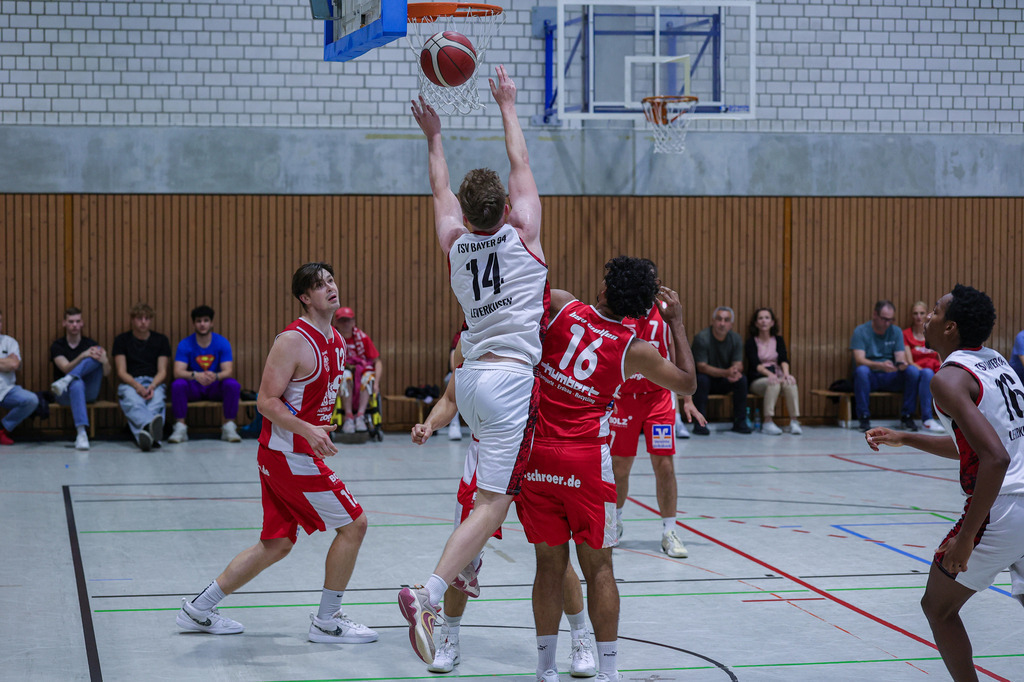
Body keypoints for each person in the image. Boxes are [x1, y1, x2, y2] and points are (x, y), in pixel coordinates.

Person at [400, 65, 548, 666]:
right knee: (493, 505)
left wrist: (434, 136)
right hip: (513, 378)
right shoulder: (526, 233)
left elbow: (439, 191)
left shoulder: (455, 244)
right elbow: (521, 161)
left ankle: (454, 588)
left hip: (470, 375)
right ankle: (430, 592)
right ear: (510, 208)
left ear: (465, 210)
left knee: (482, 502)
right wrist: (506, 103)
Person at [176, 262, 377, 645]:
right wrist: (307, 429)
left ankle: (199, 609)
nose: (330, 288)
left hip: (291, 452)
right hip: (288, 455)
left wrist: (319, 424)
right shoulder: (291, 340)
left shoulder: (335, 338)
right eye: (320, 285)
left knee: (277, 543)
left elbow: (307, 400)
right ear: (304, 297)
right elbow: (266, 402)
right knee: (355, 525)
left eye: (331, 280)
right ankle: (328, 621)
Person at [518, 257, 698, 682]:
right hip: (585, 461)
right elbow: (688, 383)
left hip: (537, 455)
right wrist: (678, 324)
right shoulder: (636, 350)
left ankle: (546, 669)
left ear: (602, 289)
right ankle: (609, 672)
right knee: (599, 568)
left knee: (548, 566)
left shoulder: (562, 305)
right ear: (641, 309)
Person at [864, 285, 1024, 682]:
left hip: (1005, 507)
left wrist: (967, 536)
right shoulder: (995, 361)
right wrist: (906, 437)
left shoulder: (947, 380)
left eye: (934, 312)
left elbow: (996, 458)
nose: (926, 318)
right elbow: (979, 447)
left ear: (950, 327)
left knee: (938, 608)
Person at [411, 342, 596, 678]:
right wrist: (430, 424)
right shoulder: (469, 343)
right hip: (485, 458)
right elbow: (451, 399)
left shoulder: (535, 339)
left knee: (556, 557)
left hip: (534, 455)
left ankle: (580, 639)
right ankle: (449, 638)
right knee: (463, 560)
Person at [610, 260, 706, 558]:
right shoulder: (620, 311)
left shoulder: (664, 313)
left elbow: (678, 353)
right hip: (624, 399)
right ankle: (616, 521)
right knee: (620, 467)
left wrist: (686, 400)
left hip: (658, 400)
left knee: (664, 465)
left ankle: (669, 530)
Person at [168, 305, 242, 444]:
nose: (202, 324)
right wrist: (196, 375)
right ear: (194, 323)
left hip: (214, 385)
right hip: (194, 386)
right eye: (199, 321)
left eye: (206, 320)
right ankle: (180, 427)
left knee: (232, 384)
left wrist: (216, 376)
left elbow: (228, 370)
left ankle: (228, 426)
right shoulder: (185, 344)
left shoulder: (222, 342)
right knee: (177, 385)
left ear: (211, 323)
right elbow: (178, 372)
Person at [850, 300, 920, 432]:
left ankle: (908, 416)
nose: (887, 323)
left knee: (912, 371)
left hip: (890, 374)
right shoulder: (861, 331)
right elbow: (859, 360)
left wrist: (901, 364)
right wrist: (880, 365)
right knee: (861, 371)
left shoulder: (896, 331)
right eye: (884, 319)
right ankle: (864, 417)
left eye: (891, 320)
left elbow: (899, 357)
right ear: (875, 315)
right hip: (871, 376)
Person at [49, 306, 111, 450]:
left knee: (98, 351)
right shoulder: (58, 346)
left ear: (82, 323)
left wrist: (104, 361)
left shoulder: (90, 344)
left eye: (77, 321)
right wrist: (83, 355)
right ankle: (82, 433)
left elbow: (107, 373)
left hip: (89, 391)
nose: (74, 325)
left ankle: (68, 379)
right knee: (76, 384)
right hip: (63, 393)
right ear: (64, 323)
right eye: (71, 321)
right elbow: (65, 368)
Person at [112, 303, 172, 451]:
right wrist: (137, 386)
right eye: (139, 318)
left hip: (154, 381)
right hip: (130, 382)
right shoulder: (121, 340)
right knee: (133, 402)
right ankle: (151, 431)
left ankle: (144, 436)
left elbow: (162, 371)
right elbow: (121, 371)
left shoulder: (161, 340)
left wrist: (152, 386)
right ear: (132, 320)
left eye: (147, 318)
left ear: (151, 320)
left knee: (156, 402)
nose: (143, 322)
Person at [690, 306, 751, 435]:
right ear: (713, 321)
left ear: (731, 324)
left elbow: (738, 364)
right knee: (701, 379)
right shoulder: (702, 338)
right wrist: (726, 372)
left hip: (725, 380)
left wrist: (734, 371)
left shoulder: (736, 339)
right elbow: (702, 367)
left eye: (726, 320)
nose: (722, 323)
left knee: (741, 380)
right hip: (706, 380)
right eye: (719, 319)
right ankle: (699, 424)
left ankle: (740, 422)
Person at [744, 307, 802, 436]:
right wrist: (770, 375)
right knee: (773, 382)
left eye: (767, 318)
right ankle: (768, 422)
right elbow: (755, 364)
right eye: (760, 318)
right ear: (756, 323)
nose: (764, 321)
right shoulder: (751, 342)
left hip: (778, 375)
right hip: (758, 379)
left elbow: (784, 359)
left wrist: (786, 374)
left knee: (790, 383)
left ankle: (794, 421)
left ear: (772, 322)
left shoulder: (778, 340)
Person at [333, 306, 382, 434]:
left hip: (361, 371)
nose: (346, 323)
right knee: (345, 375)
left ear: (353, 322)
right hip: (341, 372)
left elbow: (378, 362)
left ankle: (360, 415)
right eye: (342, 320)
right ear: (336, 322)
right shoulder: (331, 338)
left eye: (348, 320)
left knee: (368, 377)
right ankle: (349, 417)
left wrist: (376, 384)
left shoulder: (363, 338)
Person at [903, 300, 945, 433]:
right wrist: (923, 371)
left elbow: (940, 358)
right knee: (922, 373)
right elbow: (909, 361)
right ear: (911, 315)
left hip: (934, 372)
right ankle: (918, 417)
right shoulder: (906, 334)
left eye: (921, 313)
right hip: (917, 371)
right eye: (915, 313)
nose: (918, 317)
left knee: (930, 374)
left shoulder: (934, 334)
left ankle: (932, 419)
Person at [0, 310, 40, 445]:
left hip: (6, 390)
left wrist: (10, 363)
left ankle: (2, 429)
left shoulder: (9, 342)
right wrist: (5, 361)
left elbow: (14, 364)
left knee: (31, 400)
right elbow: (9, 363)